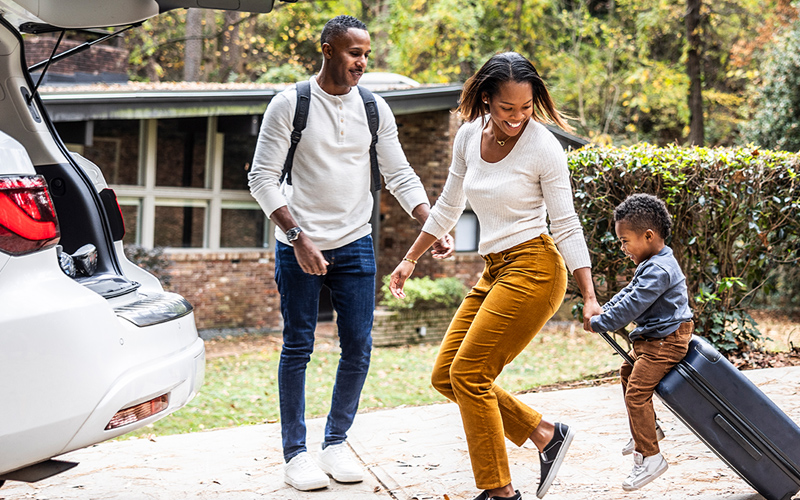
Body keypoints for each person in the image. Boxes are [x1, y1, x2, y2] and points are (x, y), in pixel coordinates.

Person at [248, 15, 453, 492]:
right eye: (352, 53)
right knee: (298, 345)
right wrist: (298, 237)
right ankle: (295, 454)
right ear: (327, 50)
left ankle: (335, 442)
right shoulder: (290, 104)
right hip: (298, 243)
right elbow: (261, 178)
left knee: (358, 347)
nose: (361, 62)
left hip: (356, 241)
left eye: (365, 54)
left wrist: (432, 220)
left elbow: (400, 175)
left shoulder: (375, 108)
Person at [389, 52, 603, 500]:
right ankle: (545, 433)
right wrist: (411, 258)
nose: (517, 118)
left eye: (526, 108)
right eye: (508, 108)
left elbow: (566, 223)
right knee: (446, 375)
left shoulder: (543, 145)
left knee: (469, 374)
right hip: (496, 269)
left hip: (536, 268)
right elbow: (449, 204)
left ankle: (500, 492)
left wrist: (589, 294)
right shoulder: (468, 137)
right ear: (486, 100)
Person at [586, 193, 693, 491]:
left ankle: (650, 457)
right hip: (656, 340)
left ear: (648, 235)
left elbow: (634, 304)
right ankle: (647, 430)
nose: (622, 248)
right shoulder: (654, 262)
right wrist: (604, 309)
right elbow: (629, 293)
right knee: (627, 372)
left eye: (624, 241)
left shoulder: (658, 269)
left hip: (666, 342)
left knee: (636, 393)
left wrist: (602, 322)